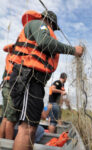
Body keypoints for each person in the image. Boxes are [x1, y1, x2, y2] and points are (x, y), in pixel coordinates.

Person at [8, 10, 84, 150]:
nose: (51, 30)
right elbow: (45, 42)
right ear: (49, 21)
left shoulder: (42, 27)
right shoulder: (39, 24)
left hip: (36, 83)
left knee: (32, 128)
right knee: (26, 128)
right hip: (27, 77)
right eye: (53, 27)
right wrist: (73, 50)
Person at [0, 44, 18, 139]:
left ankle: (2, 144)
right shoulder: (16, 53)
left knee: (5, 117)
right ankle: (7, 144)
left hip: (6, 86)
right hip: (11, 86)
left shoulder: (10, 53)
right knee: (10, 119)